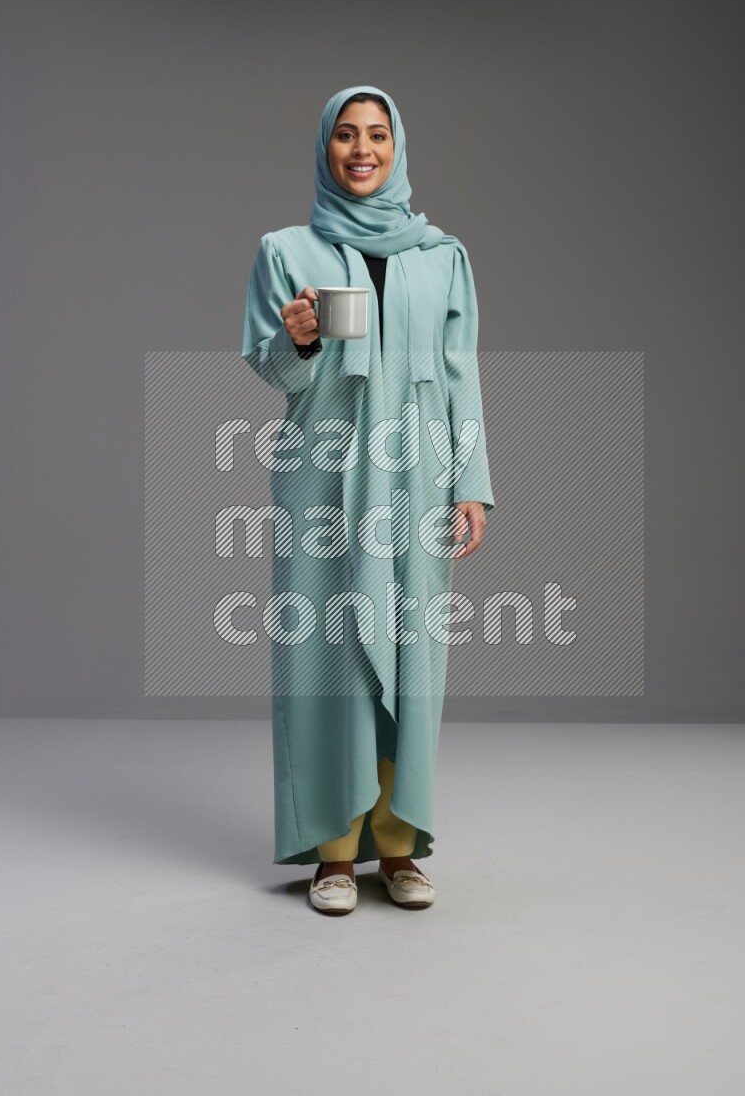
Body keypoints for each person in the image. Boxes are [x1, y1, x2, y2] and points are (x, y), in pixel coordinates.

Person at [242, 84, 494, 915]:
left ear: (397, 146)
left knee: (412, 660)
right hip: (322, 477)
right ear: (325, 148)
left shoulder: (442, 257)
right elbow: (274, 372)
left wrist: (471, 483)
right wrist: (298, 339)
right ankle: (334, 854)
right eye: (346, 135)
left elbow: (460, 376)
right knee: (328, 662)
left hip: (416, 479)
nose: (361, 149)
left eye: (377, 134)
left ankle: (400, 846)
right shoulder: (286, 251)